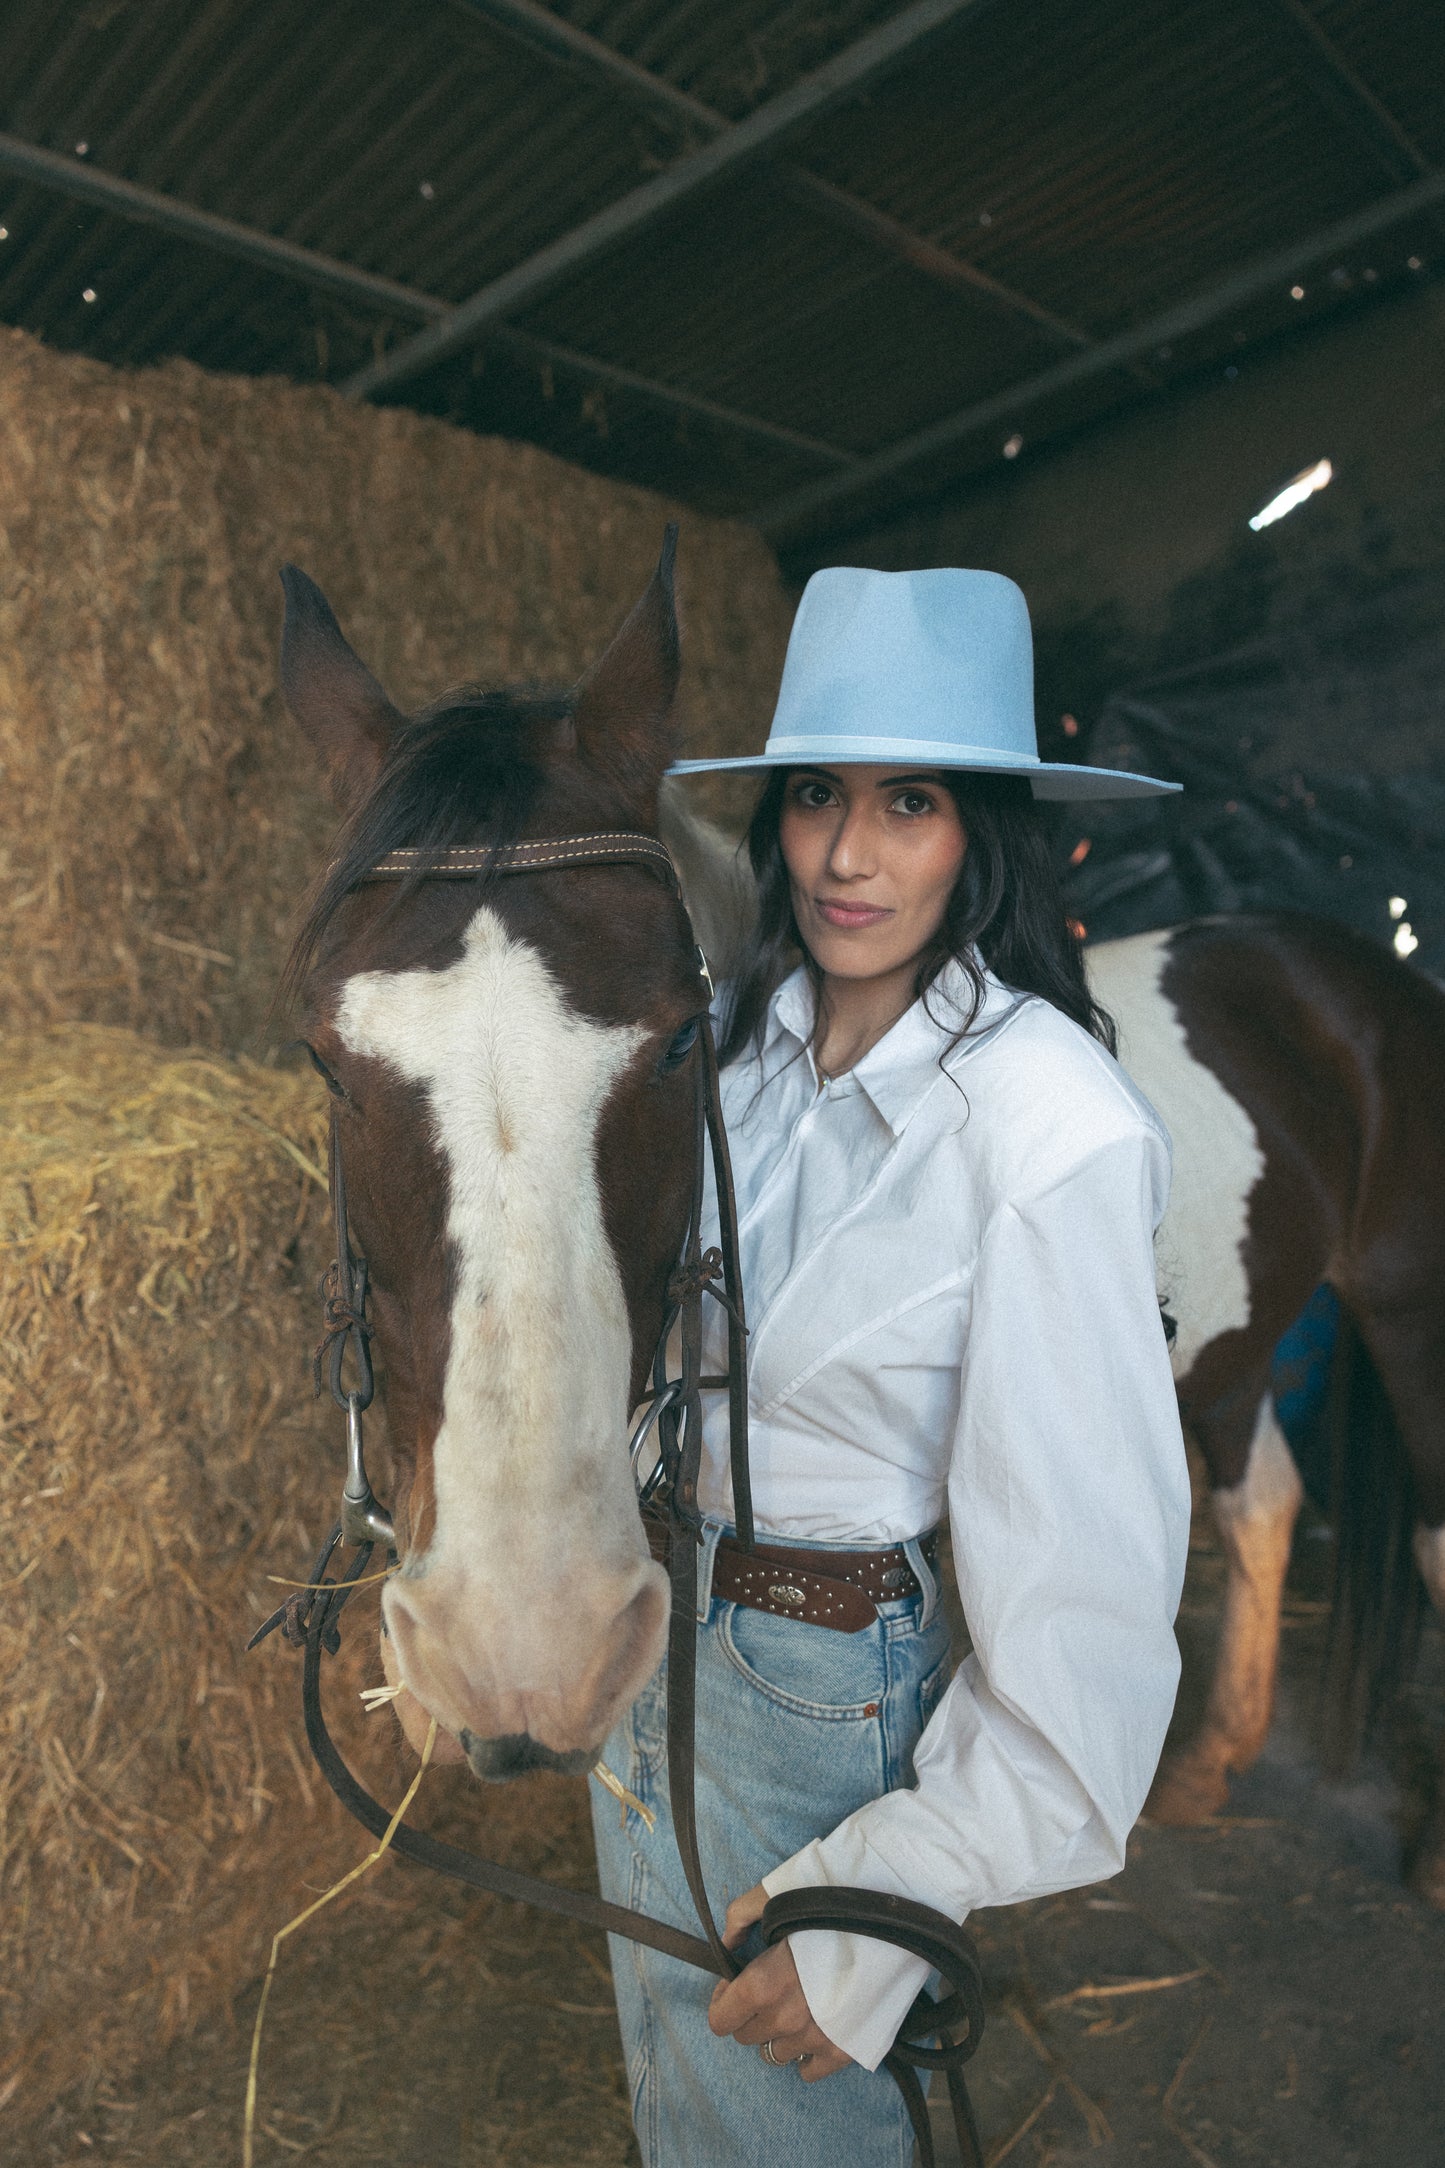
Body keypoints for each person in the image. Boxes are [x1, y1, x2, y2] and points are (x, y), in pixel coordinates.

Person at [591, 567, 1191, 2166]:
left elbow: (1088, 1650)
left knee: (781, 2123)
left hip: (821, 1692)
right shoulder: (733, 1049)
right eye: (813, 800)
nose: (845, 856)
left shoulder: (1049, 1134)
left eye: (907, 803)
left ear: (977, 831)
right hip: (656, 1654)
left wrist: (882, 1902)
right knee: (680, 2093)